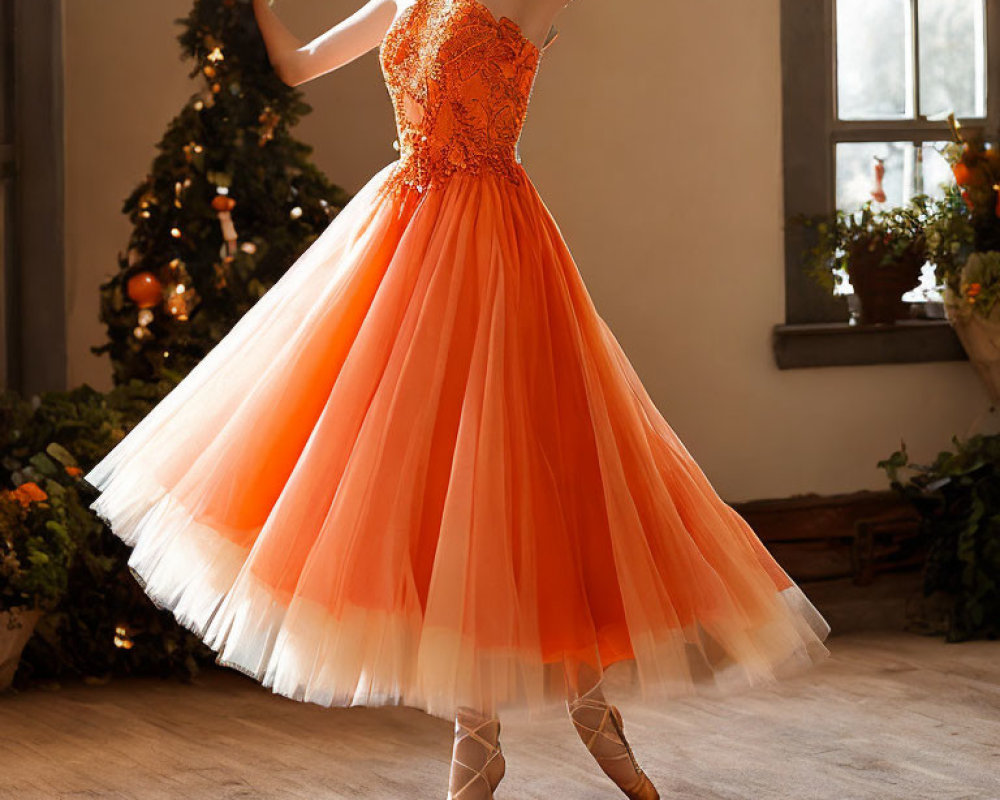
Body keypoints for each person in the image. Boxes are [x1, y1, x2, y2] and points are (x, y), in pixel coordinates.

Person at [84, 1, 832, 798]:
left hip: (489, 244)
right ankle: (513, 731)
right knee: (435, 483)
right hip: (401, 233)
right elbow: (299, 65)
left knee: (509, 465)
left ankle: (544, 719)